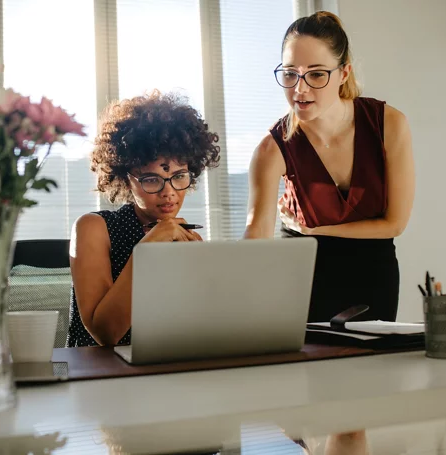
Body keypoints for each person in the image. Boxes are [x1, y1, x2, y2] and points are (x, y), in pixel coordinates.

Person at [244, 11, 414, 325]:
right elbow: (256, 239)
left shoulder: (389, 124)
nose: (300, 89)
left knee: (372, 371)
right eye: (291, 73)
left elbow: (395, 224)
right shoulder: (272, 149)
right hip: (302, 280)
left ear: (344, 73)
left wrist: (314, 230)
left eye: (317, 74)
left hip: (374, 278)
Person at [66, 91, 220, 347]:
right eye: (151, 180)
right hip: (98, 375)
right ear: (126, 178)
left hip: (159, 371)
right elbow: (105, 334)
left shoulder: (186, 239)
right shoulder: (93, 228)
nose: (168, 192)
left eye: (179, 176)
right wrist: (147, 250)